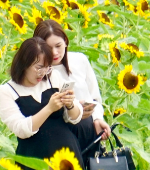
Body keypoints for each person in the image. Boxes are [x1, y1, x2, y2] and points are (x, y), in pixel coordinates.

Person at [0, 36, 89, 162]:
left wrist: (70, 105)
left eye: (47, 67)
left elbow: (75, 118)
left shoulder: (53, 78)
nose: (43, 73)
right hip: (33, 159)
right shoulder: (7, 91)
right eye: (39, 67)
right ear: (24, 64)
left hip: (67, 154)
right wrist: (49, 108)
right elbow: (21, 129)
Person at [34, 18, 112, 149]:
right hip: (59, 140)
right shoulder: (36, 73)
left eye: (58, 46)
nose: (54, 53)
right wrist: (74, 109)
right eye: (48, 48)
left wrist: (98, 119)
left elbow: (95, 97)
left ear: (65, 41)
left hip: (89, 133)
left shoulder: (79, 60)